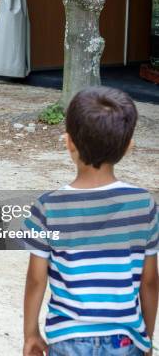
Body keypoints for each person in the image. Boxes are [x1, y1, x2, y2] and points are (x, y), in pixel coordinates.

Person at [22, 87, 158, 356]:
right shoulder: (144, 204)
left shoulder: (48, 206)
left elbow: (37, 280)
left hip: (68, 338)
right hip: (124, 339)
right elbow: (150, 280)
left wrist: (30, 334)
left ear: (68, 142)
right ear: (128, 146)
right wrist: (146, 338)